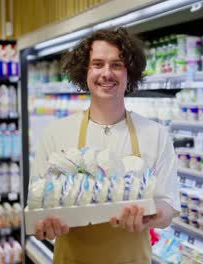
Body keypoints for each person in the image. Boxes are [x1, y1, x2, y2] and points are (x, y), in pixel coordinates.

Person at [31, 28, 180, 264]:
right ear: (84, 72)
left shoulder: (156, 135)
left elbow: (168, 208)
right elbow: (37, 208)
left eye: (117, 65)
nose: (106, 73)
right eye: (97, 64)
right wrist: (44, 226)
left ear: (129, 72)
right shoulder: (56, 134)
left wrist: (152, 215)